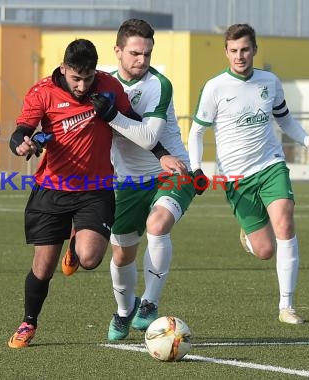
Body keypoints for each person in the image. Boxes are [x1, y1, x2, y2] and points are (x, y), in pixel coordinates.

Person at [7, 38, 184, 349]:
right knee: (43, 268)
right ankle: (28, 321)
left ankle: (75, 243)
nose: (82, 85)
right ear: (64, 69)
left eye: (87, 78)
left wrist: (161, 154)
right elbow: (22, 130)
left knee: (90, 259)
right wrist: (22, 141)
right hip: (51, 189)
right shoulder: (42, 91)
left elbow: (133, 124)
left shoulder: (107, 85)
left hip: (96, 190)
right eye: (76, 78)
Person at [188, 24, 309, 324]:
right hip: (236, 179)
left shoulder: (270, 82)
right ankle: (249, 237)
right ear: (226, 52)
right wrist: (196, 169)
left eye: (245, 49)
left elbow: (285, 119)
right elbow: (197, 132)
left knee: (285, 221)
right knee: (265, 250)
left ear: (255, 49)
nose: (240, 56)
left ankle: (287, 306)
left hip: (270, 165)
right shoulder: (215, 88)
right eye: (234, 51)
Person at [105, 18, 203, 341]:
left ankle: (149, 303)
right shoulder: (104, 85)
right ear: (118, 50)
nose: (141, 61)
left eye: (146, 54)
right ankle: (124, 310)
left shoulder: (159, 84)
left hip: (171, 171)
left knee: (158, 224)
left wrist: (110, 114)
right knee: (122, 255)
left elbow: (148, 135)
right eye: (134, 53)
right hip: (127, 182)